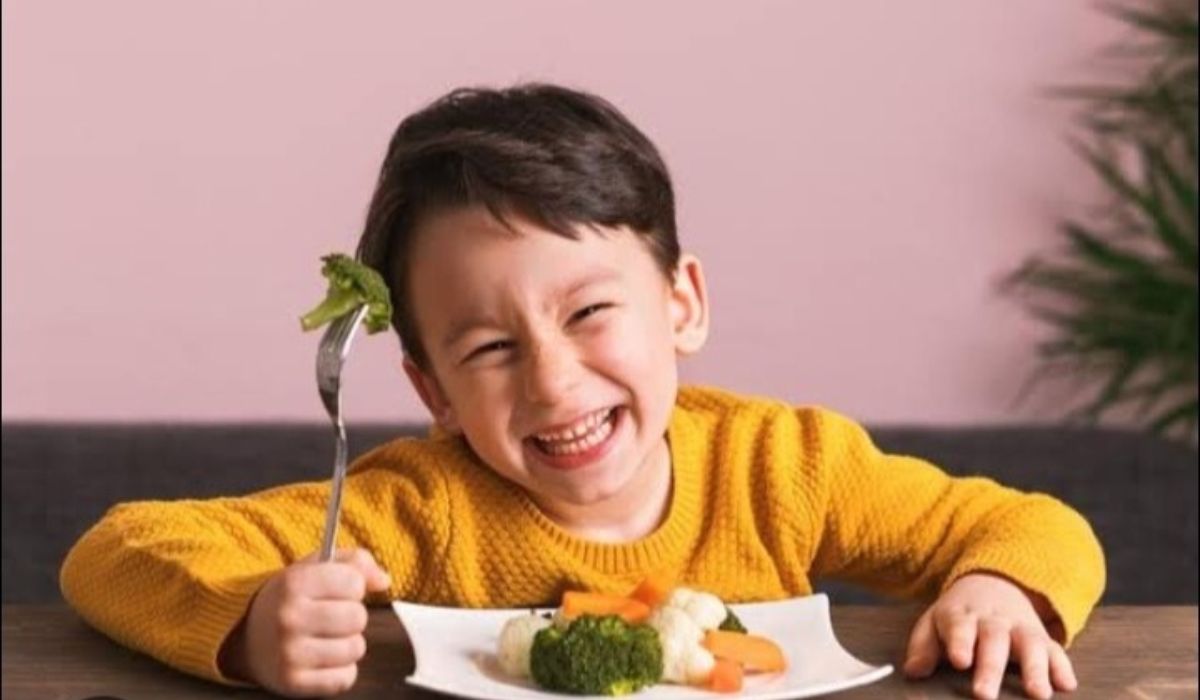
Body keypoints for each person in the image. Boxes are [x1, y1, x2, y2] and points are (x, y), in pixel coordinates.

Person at [61, 83, 1104, 700]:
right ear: (431, 388)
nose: (555, 380)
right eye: (488, 348)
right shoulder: (414, 511)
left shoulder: (785, 466)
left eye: (590, 313)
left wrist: (1004, 586)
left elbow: (1031, 522)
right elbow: (115, 553)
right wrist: (249, 626)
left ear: (682, 302)